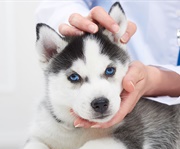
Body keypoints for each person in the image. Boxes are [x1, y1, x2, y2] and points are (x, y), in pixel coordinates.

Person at [36, 0, 180, 128]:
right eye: (74, 77)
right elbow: (56, 3)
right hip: (111, 48)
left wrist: (156, 79)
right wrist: (81, 25)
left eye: (109, 71)